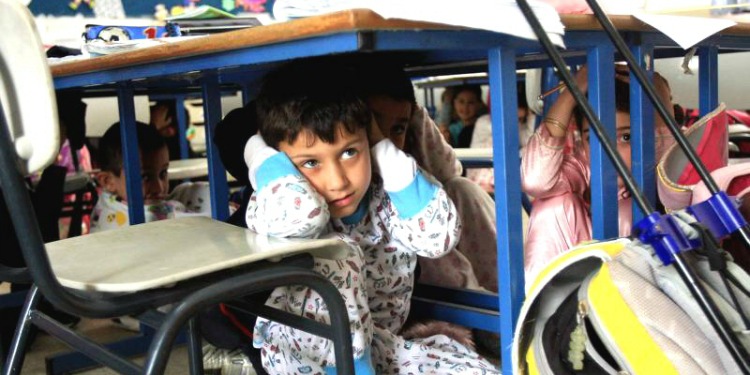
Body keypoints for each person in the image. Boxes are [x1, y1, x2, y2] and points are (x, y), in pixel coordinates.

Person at [245, 60, 499, 374]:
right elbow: (301, 215)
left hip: (377, 343)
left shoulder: (387, 197)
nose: (338, 182)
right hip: (306, 356)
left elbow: (438, 236)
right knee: (339, 255)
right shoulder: (281, 200)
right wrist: (257, 150)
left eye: (350, 152)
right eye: (310, 162)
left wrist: (379, 146)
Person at [521, 65, 675, 285]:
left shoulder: (658, 156)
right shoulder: (584, 163)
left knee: (627, 211)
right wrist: (570, 93)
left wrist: (661, 106)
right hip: (583, 287)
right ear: (581, 143)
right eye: (592, 139)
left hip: (645, 293)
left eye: (626, 137)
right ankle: (545, 307)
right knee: (552, 206)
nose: (609, 152)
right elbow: (536, 181)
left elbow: (677, 168)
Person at [355, 60, 498, 294]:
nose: (386, 141)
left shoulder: (400, 173)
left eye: (398, 129)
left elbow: (448, 170)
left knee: (462, 189)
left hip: (426, 265)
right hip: (400, 299)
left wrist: (413, 117)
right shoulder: (342, 184)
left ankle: (499, 299)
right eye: (375, 127)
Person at [91, 121, 211, 233]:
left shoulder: (106, 202)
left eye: (163, 173)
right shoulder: (147, 216)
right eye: (145, 177)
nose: (159, 187)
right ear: (107, 181)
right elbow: (196, 222)